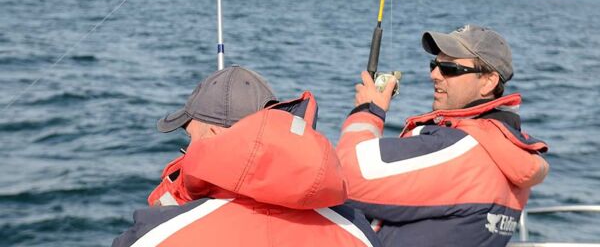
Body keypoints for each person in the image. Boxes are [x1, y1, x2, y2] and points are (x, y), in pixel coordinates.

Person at [113, 65, 381, 247]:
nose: (188, 153)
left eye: (191, 140)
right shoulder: (357, 231)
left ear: (214, 137)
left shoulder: (155, 237)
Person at [336, 25, 549, 247]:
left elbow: (344, 175)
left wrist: (368, 112)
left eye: (449, 68)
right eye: (434, 65)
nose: (434, 75)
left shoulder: (462, 149)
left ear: (488, 82)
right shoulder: (509, 149)